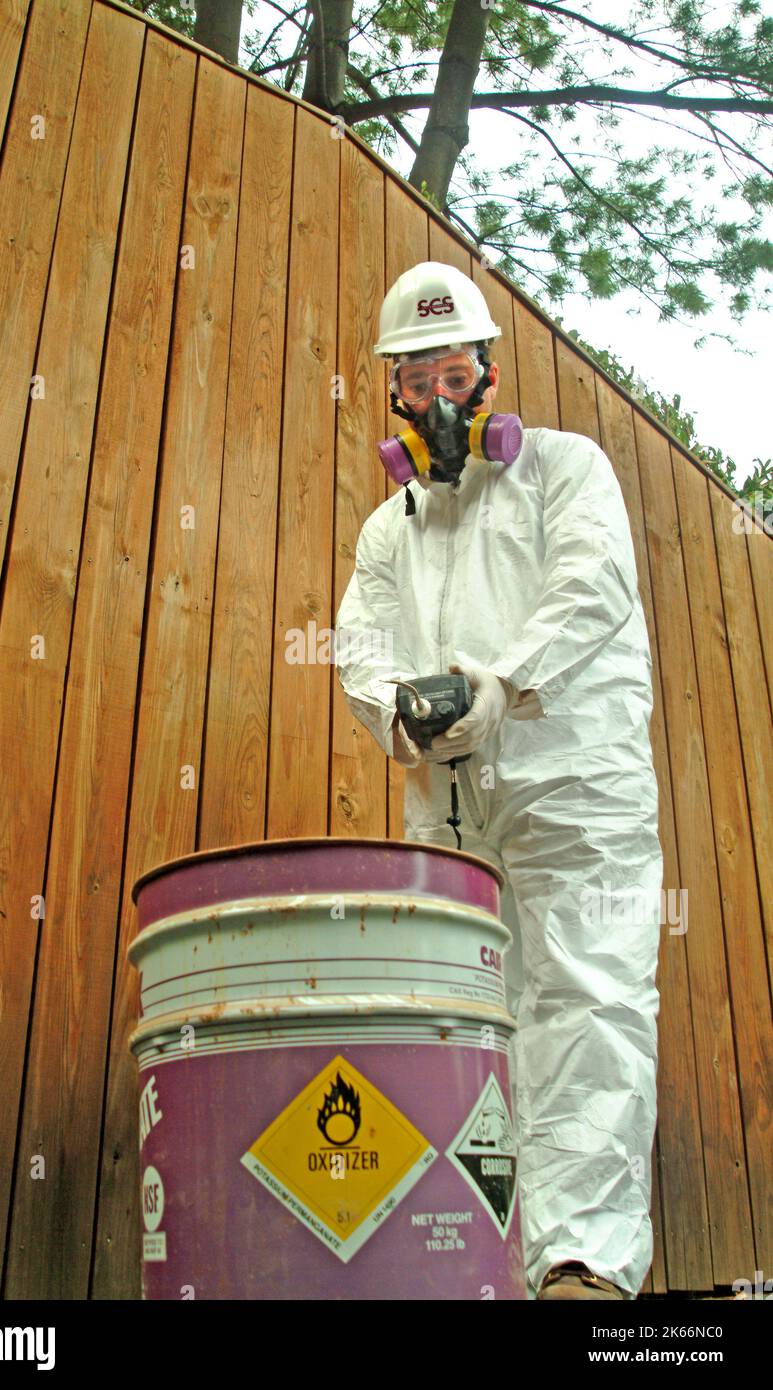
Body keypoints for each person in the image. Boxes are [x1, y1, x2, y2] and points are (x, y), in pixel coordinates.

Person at [334, 261, 664, 1301]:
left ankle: (579, 1265)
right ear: (393, 394)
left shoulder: (564, 470)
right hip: (449, 804)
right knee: (463, 1017)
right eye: (415, 379)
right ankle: (482, 1269)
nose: (438, 399)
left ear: (487, 373)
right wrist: (396, 707)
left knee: (587, 996)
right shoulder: (389, 527)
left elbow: (591, 586)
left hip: (573, 784)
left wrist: (500, 682)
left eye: (453, 373)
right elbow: (357, 644)